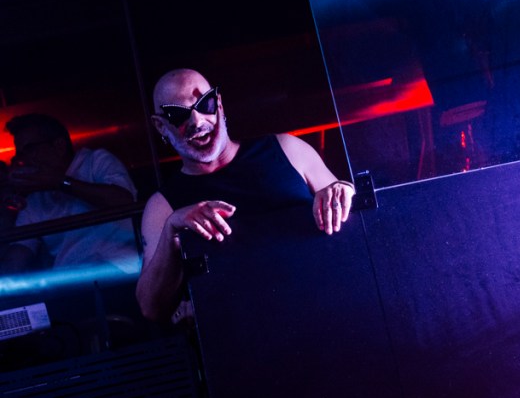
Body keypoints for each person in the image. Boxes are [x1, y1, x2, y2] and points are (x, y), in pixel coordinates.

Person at [135, 68, 355, 323]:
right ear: (161, 126)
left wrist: (344, 190)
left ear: (219, 103)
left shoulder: (287, 150)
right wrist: (171, 231)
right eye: (178, 114)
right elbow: (150, 308)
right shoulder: (163, 207)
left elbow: (353, 223)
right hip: (246, 336)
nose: (197, 121)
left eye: (205, 104)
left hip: (329, 312)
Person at [0, 113, 140, 274]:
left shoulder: (95, 161)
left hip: (121, 271)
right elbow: (18, 256)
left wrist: (60, 182)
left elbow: (124, 201)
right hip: (71, 280)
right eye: (20, 154)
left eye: (29, 150)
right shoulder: (35, 200)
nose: (23, 160)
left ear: (59, 146)